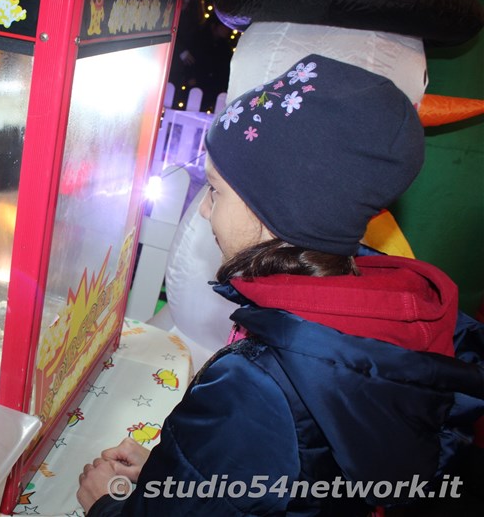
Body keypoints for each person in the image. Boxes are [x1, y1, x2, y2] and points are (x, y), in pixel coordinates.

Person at [77, 54, 484, 515]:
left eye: (215, 191)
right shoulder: (368, 322)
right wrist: (179, 471)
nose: (206, 211)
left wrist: (108, 504)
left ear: (275, 211)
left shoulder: (256, 382)